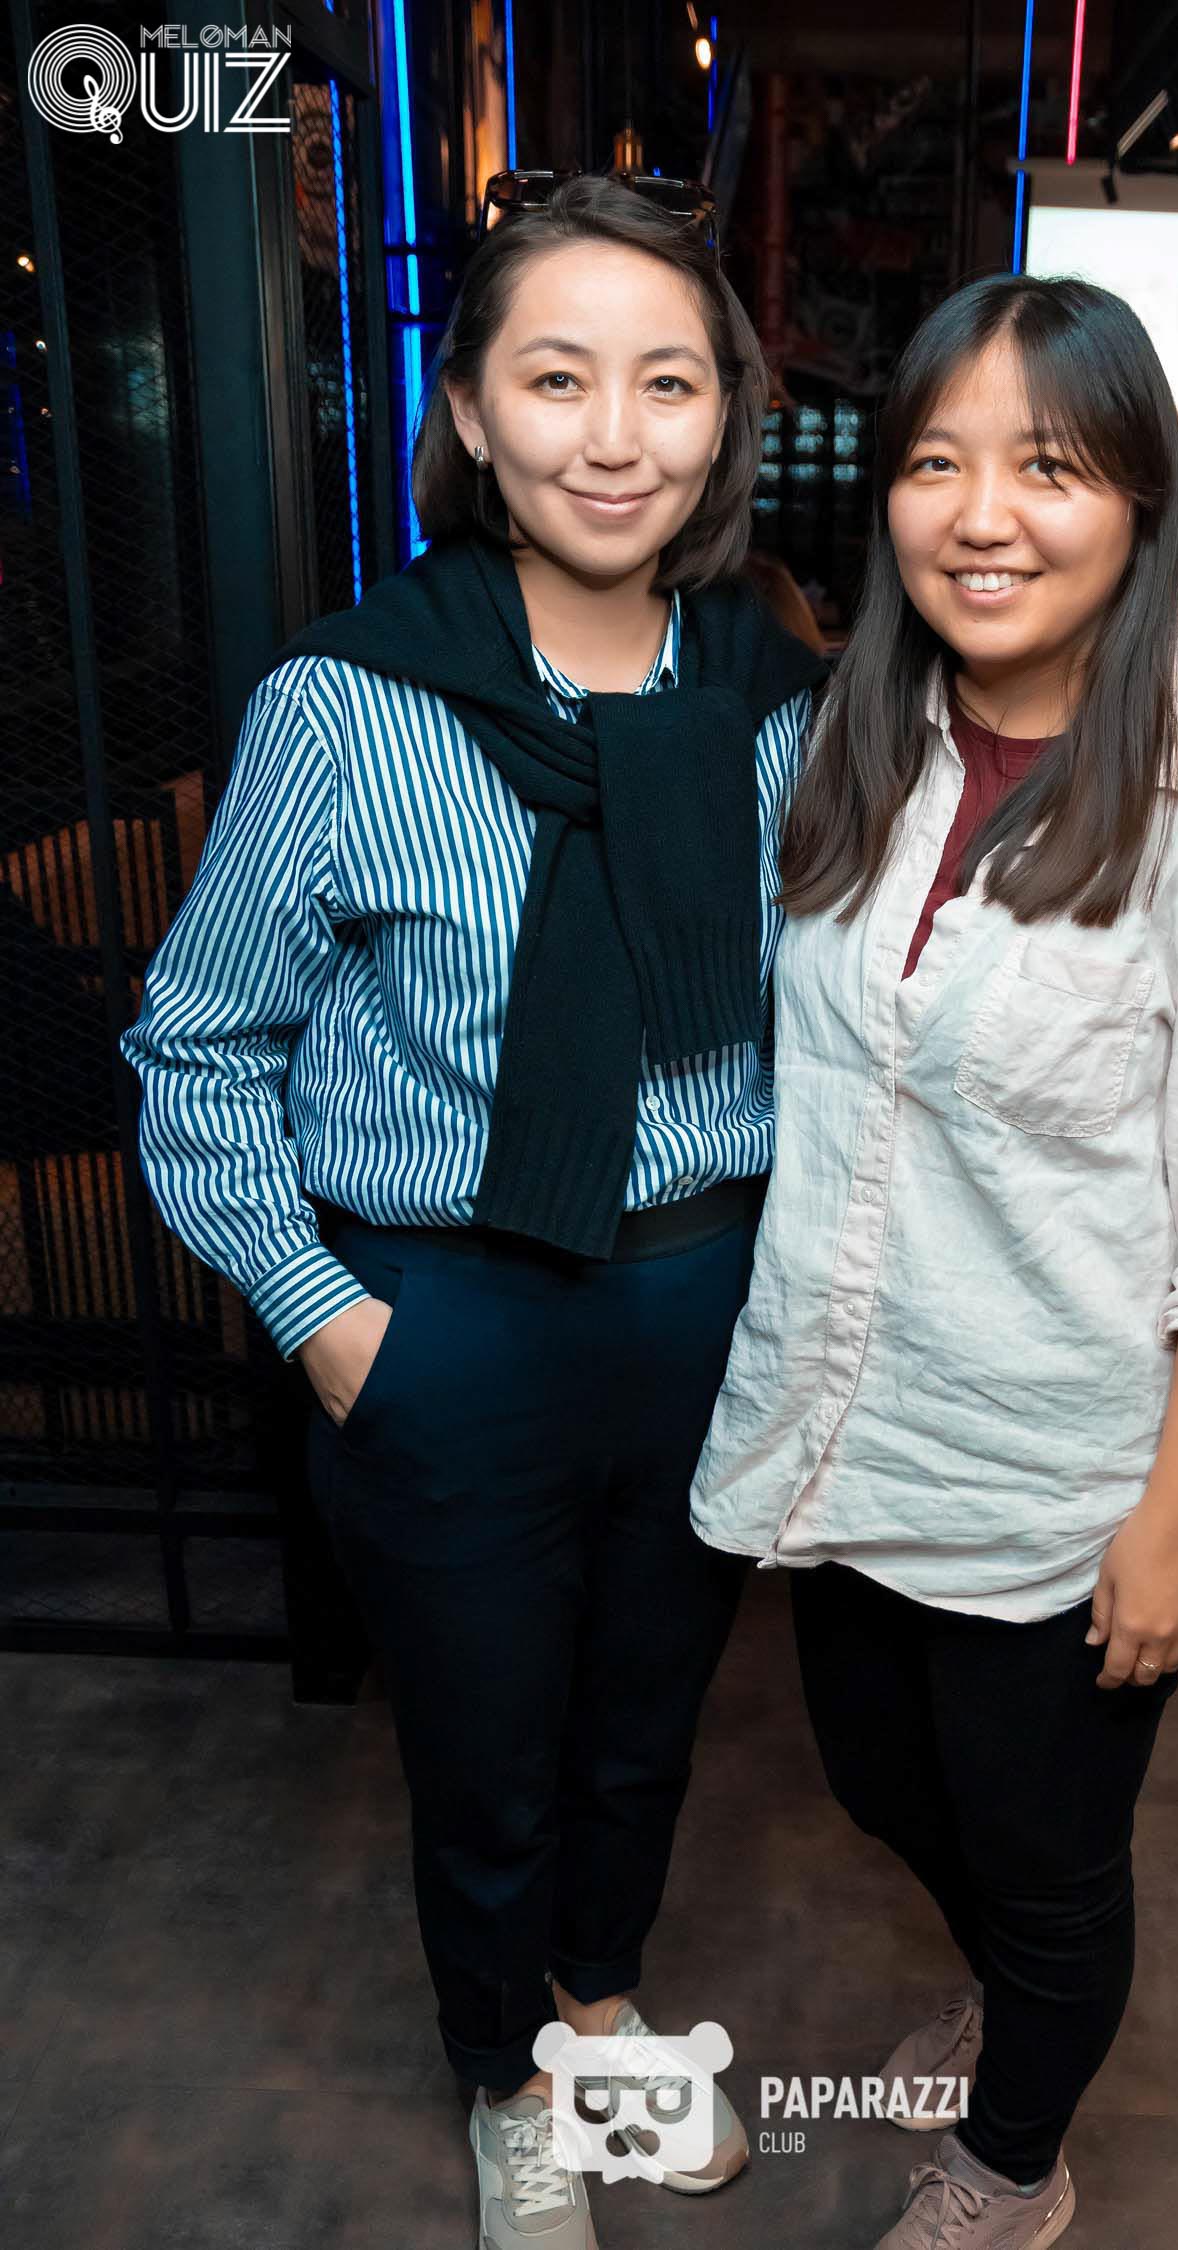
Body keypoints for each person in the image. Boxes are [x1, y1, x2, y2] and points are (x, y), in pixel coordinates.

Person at [119, 174, 825, 2250]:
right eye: (557, 378)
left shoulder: (780, 699)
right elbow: (196, 1046)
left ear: (727, 416)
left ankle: (598, 2012)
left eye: (668, 383)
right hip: (450, 1317)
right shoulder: (346, 704)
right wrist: (328, 1317)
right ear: (472, 413)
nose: (614, 435)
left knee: (644, 1728)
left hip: (702, 1300)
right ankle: (505, 2074)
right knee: (488, 1754)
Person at [689, 273, 1178, 2249]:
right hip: (851, 1421)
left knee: (1050, 1864)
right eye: (938, 463)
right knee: (878, 1783)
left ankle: (1012, 2163)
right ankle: (1018, 2001)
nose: (983, 516)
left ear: (1142, 502)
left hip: (1070, 1467)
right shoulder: (850, 741)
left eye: (1049, 468)